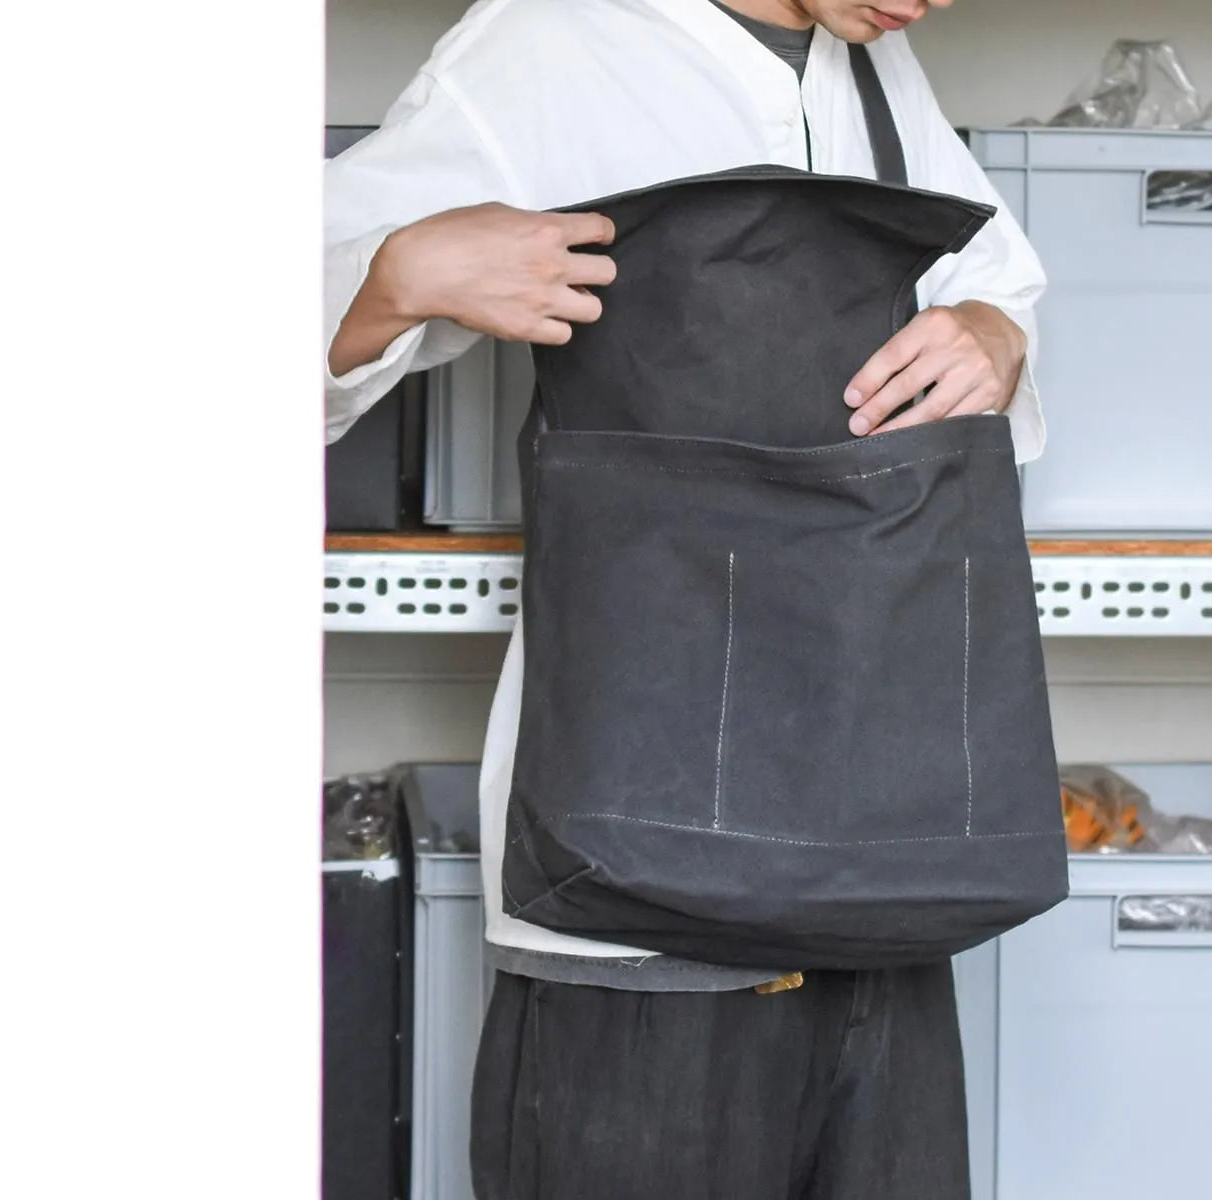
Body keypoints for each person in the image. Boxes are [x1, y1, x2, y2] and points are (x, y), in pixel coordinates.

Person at [324, 2, 1049, 1197]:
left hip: (883, 878)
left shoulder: (874, 68)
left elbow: (999, 289)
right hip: (635, 910)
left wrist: (991, 333)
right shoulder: (556, 38)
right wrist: (398, 278)